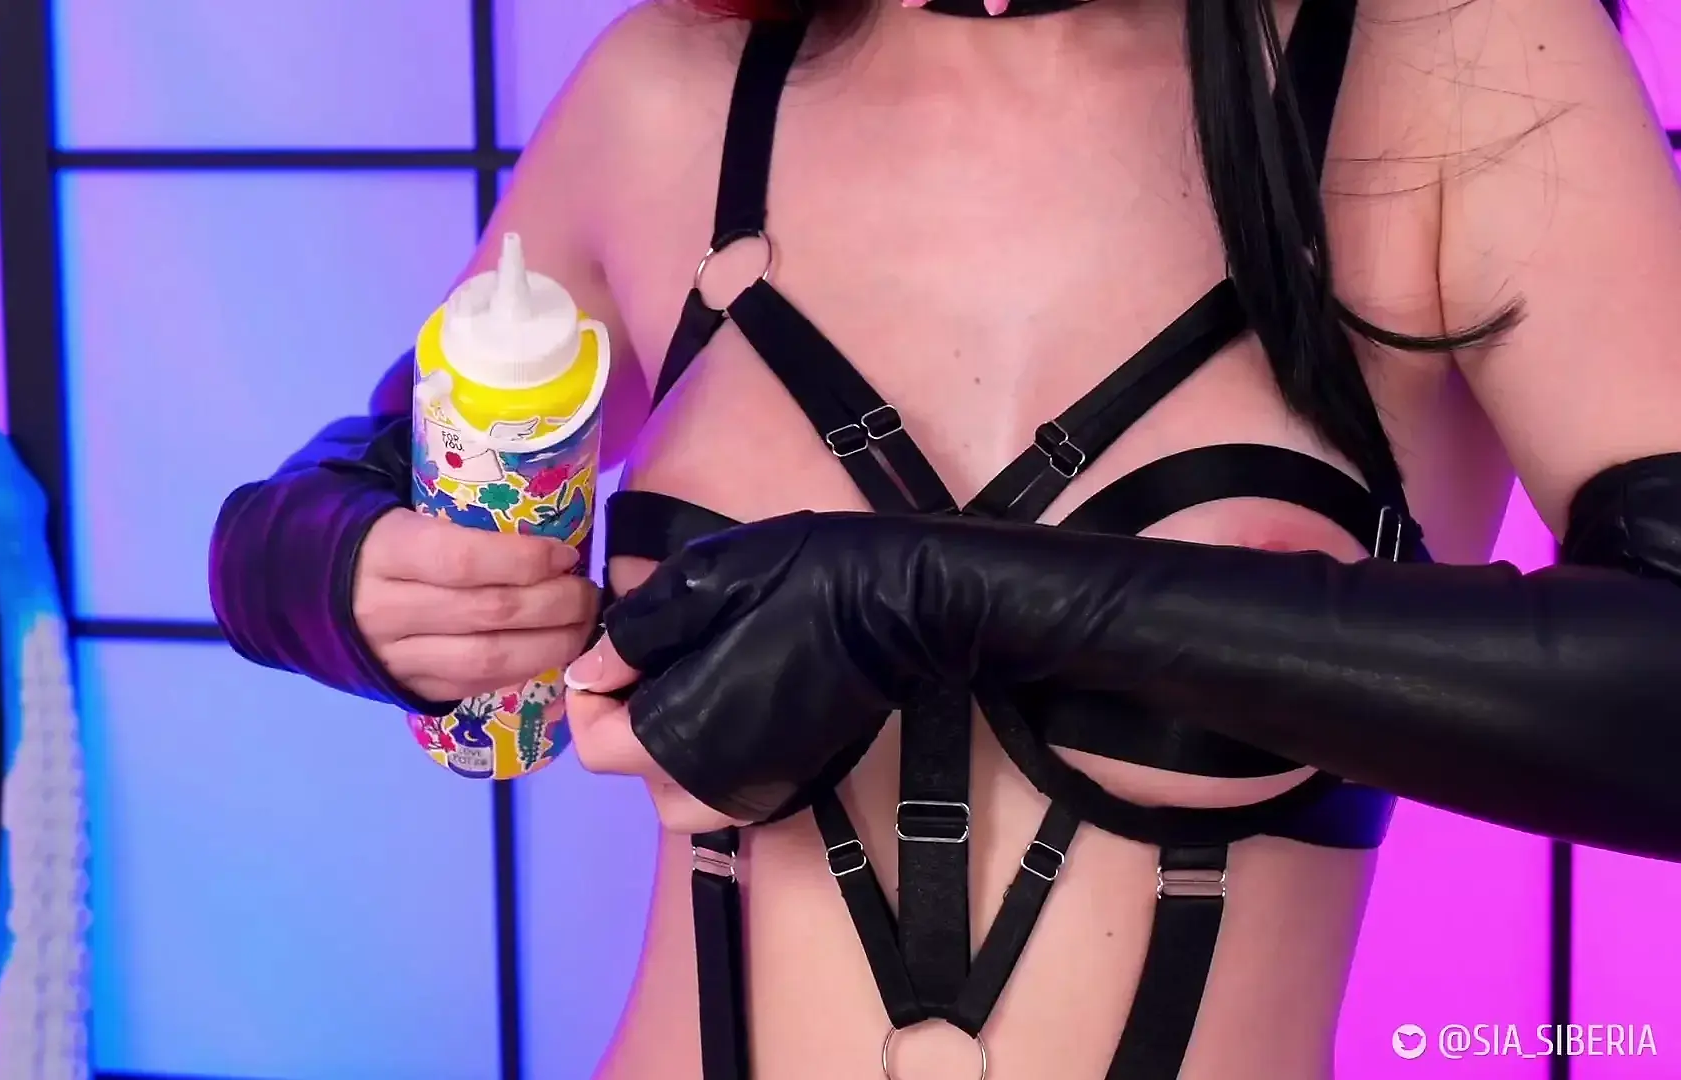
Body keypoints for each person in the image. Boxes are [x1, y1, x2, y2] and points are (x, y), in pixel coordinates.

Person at [210, 0, 1681, 1077]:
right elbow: (344, 492)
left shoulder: (1456, 64)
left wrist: (938, 596)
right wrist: (341, 576)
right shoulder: (679, 88)